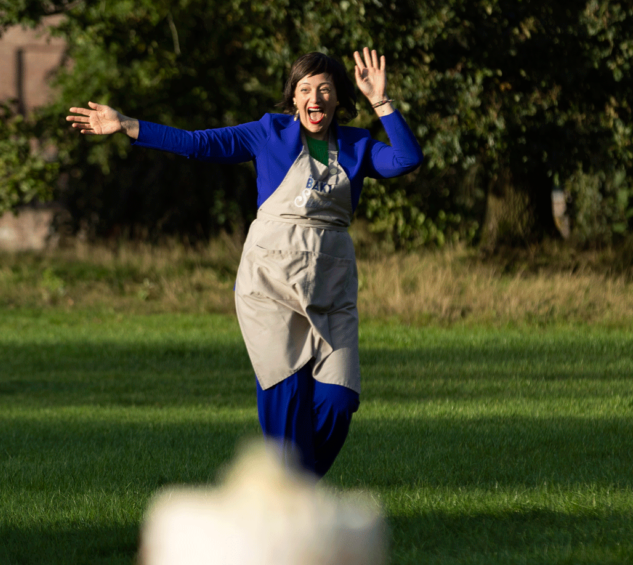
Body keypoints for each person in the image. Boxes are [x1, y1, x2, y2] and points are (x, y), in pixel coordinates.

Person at [66, 47, 423, 478]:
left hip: (331, 287)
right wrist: (128, 125)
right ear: (292, 98)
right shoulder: (268, 132)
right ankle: (294, 506)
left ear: (338, 99)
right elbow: (200, 144)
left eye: (325, 89)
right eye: (305, 88)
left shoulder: (357, 145)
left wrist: (381, 102)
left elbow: (407, 159)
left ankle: (291, 490)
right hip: (270, 285)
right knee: (287, 398)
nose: (315, 97)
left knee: (339, 399)